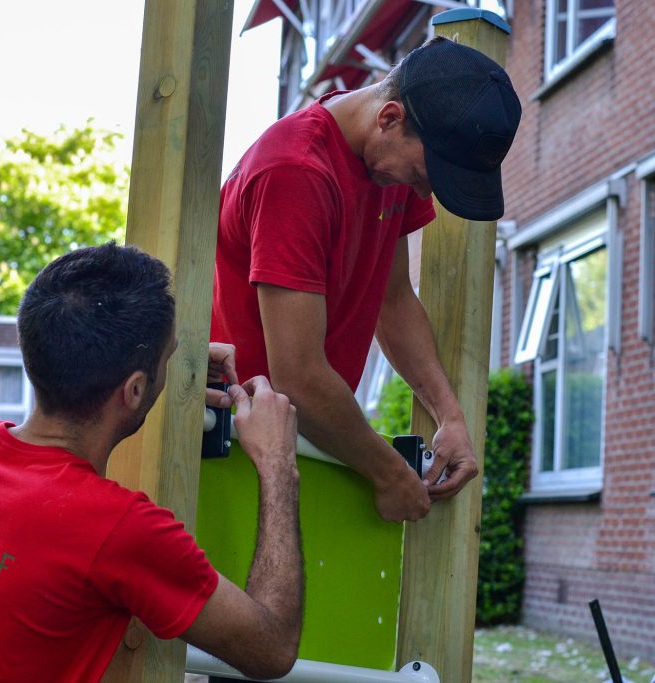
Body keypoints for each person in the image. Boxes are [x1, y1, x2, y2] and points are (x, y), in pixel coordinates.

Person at [0, 243, 303, 682]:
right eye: (169, 357)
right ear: (133, 391)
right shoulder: (122, 529)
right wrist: (276, 463)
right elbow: (272, 647)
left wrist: (158, 367)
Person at [211, 36, 522, 523]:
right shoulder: (296, 173)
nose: (424, 191)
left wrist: (450, 416)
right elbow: (297, 376)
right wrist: (390, 474)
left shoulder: (388, 165)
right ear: (389, 118)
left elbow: (393, 300)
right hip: (232, 447)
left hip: (305, 440)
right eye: (425, 173)